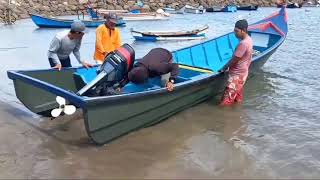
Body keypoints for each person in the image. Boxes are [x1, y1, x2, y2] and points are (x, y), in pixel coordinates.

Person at [220, 19, 253, 106]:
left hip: (236, 76)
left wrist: (224, 67)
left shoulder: (243, 44)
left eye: (236, 31)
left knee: (224, 103)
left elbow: (235, 59)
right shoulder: (249, 39)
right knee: (237, 100)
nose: (235, 33)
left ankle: (223, 118)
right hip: (243, 74)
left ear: (243, 30)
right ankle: (237, 115)